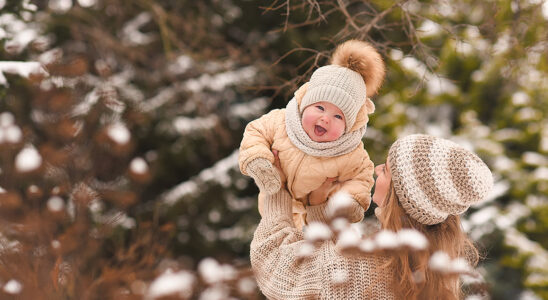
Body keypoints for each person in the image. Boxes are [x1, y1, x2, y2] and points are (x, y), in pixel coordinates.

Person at [250, 134, 493, 299]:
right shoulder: (431, 276)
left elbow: (271, 265)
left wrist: (275, 188)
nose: (377, 170)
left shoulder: (364, 268)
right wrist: (320, 210)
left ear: (399, 196)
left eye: (386, 170)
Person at [239, 39, 385, 228]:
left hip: (318, 221)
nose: (326, 119)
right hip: (273, 210)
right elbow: (255, 132)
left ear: (348, 127)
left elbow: (361, 178)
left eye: (338, 117)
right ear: (305, 103)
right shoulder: (281, 122)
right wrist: (259, 161)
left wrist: (349, 202)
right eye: (320, 107)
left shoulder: (350, 153)